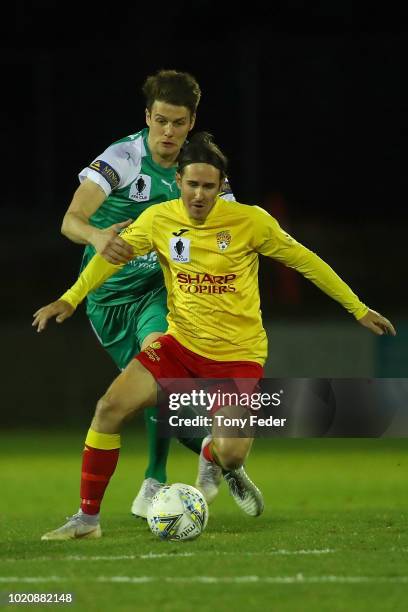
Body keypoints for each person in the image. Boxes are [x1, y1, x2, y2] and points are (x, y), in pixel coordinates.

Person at [33, 132, 396, 540]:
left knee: (231, 452)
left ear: (222, 185)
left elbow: (307, 262)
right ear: (179, 182)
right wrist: (70, 299)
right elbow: (111, 257)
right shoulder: (158, 219)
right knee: (109, 407)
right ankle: (86, 521)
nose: (199, 195)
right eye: (192, 184)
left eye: (209, 186)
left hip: (236, 357)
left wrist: (358, 309)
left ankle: (212, 454)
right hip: (180, 346)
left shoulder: (250, 221)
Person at [57, 69, 234, 518]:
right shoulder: (123, 157)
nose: (168, 132)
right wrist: (97, 237)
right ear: (147, 118)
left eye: (178, 122)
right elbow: (71, 220)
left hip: (160, 291)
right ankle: (216, 454)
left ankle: (155, 479)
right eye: (160, 121)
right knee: (157, 396)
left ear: (191, 122)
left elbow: (229, 234)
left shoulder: (198, 169)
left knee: (162, 371)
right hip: (108, 300)